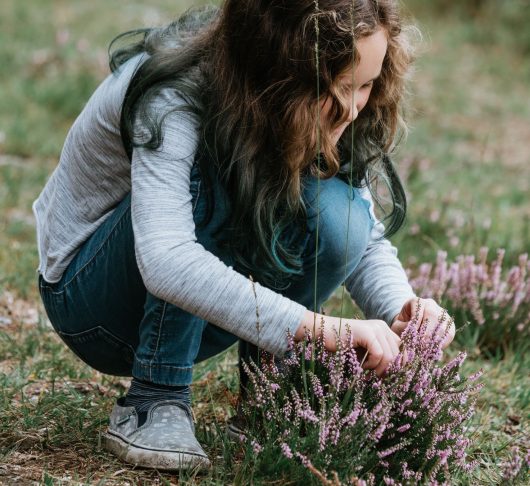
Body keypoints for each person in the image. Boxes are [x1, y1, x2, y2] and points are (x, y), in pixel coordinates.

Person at [33, 0, 455, 472]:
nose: (355, 108)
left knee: (339, 213)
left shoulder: (330, 106)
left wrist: (401, 307)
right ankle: (154, 398)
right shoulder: (175, 96)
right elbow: (167, 259)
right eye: (341, 88)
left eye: (368, 84)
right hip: (93, 304)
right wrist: (324, 332)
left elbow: (362, 234)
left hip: (199, 309)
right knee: (218, 171)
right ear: (279, 73)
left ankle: (265, 398)